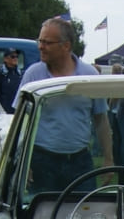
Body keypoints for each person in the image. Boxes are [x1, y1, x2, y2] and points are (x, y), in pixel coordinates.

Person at [17, 17, 113, 194]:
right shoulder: (33, 75)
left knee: (83, 214)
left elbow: (101, 119)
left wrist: (108, 159)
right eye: (40, 41)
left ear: (66, 46)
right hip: (42, 162)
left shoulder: (89, 75)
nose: (40, 46)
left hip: (80, 162)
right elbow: (21, 123)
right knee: (43, 216)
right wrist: (24, 162)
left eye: (47, 42)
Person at [0, 47, 23, 113]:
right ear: (5, 59)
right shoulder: (1, 74)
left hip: (17, 111)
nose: (15, 58)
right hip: (5, 111)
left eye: (17, 56)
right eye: (12, 56)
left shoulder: (19, 74)